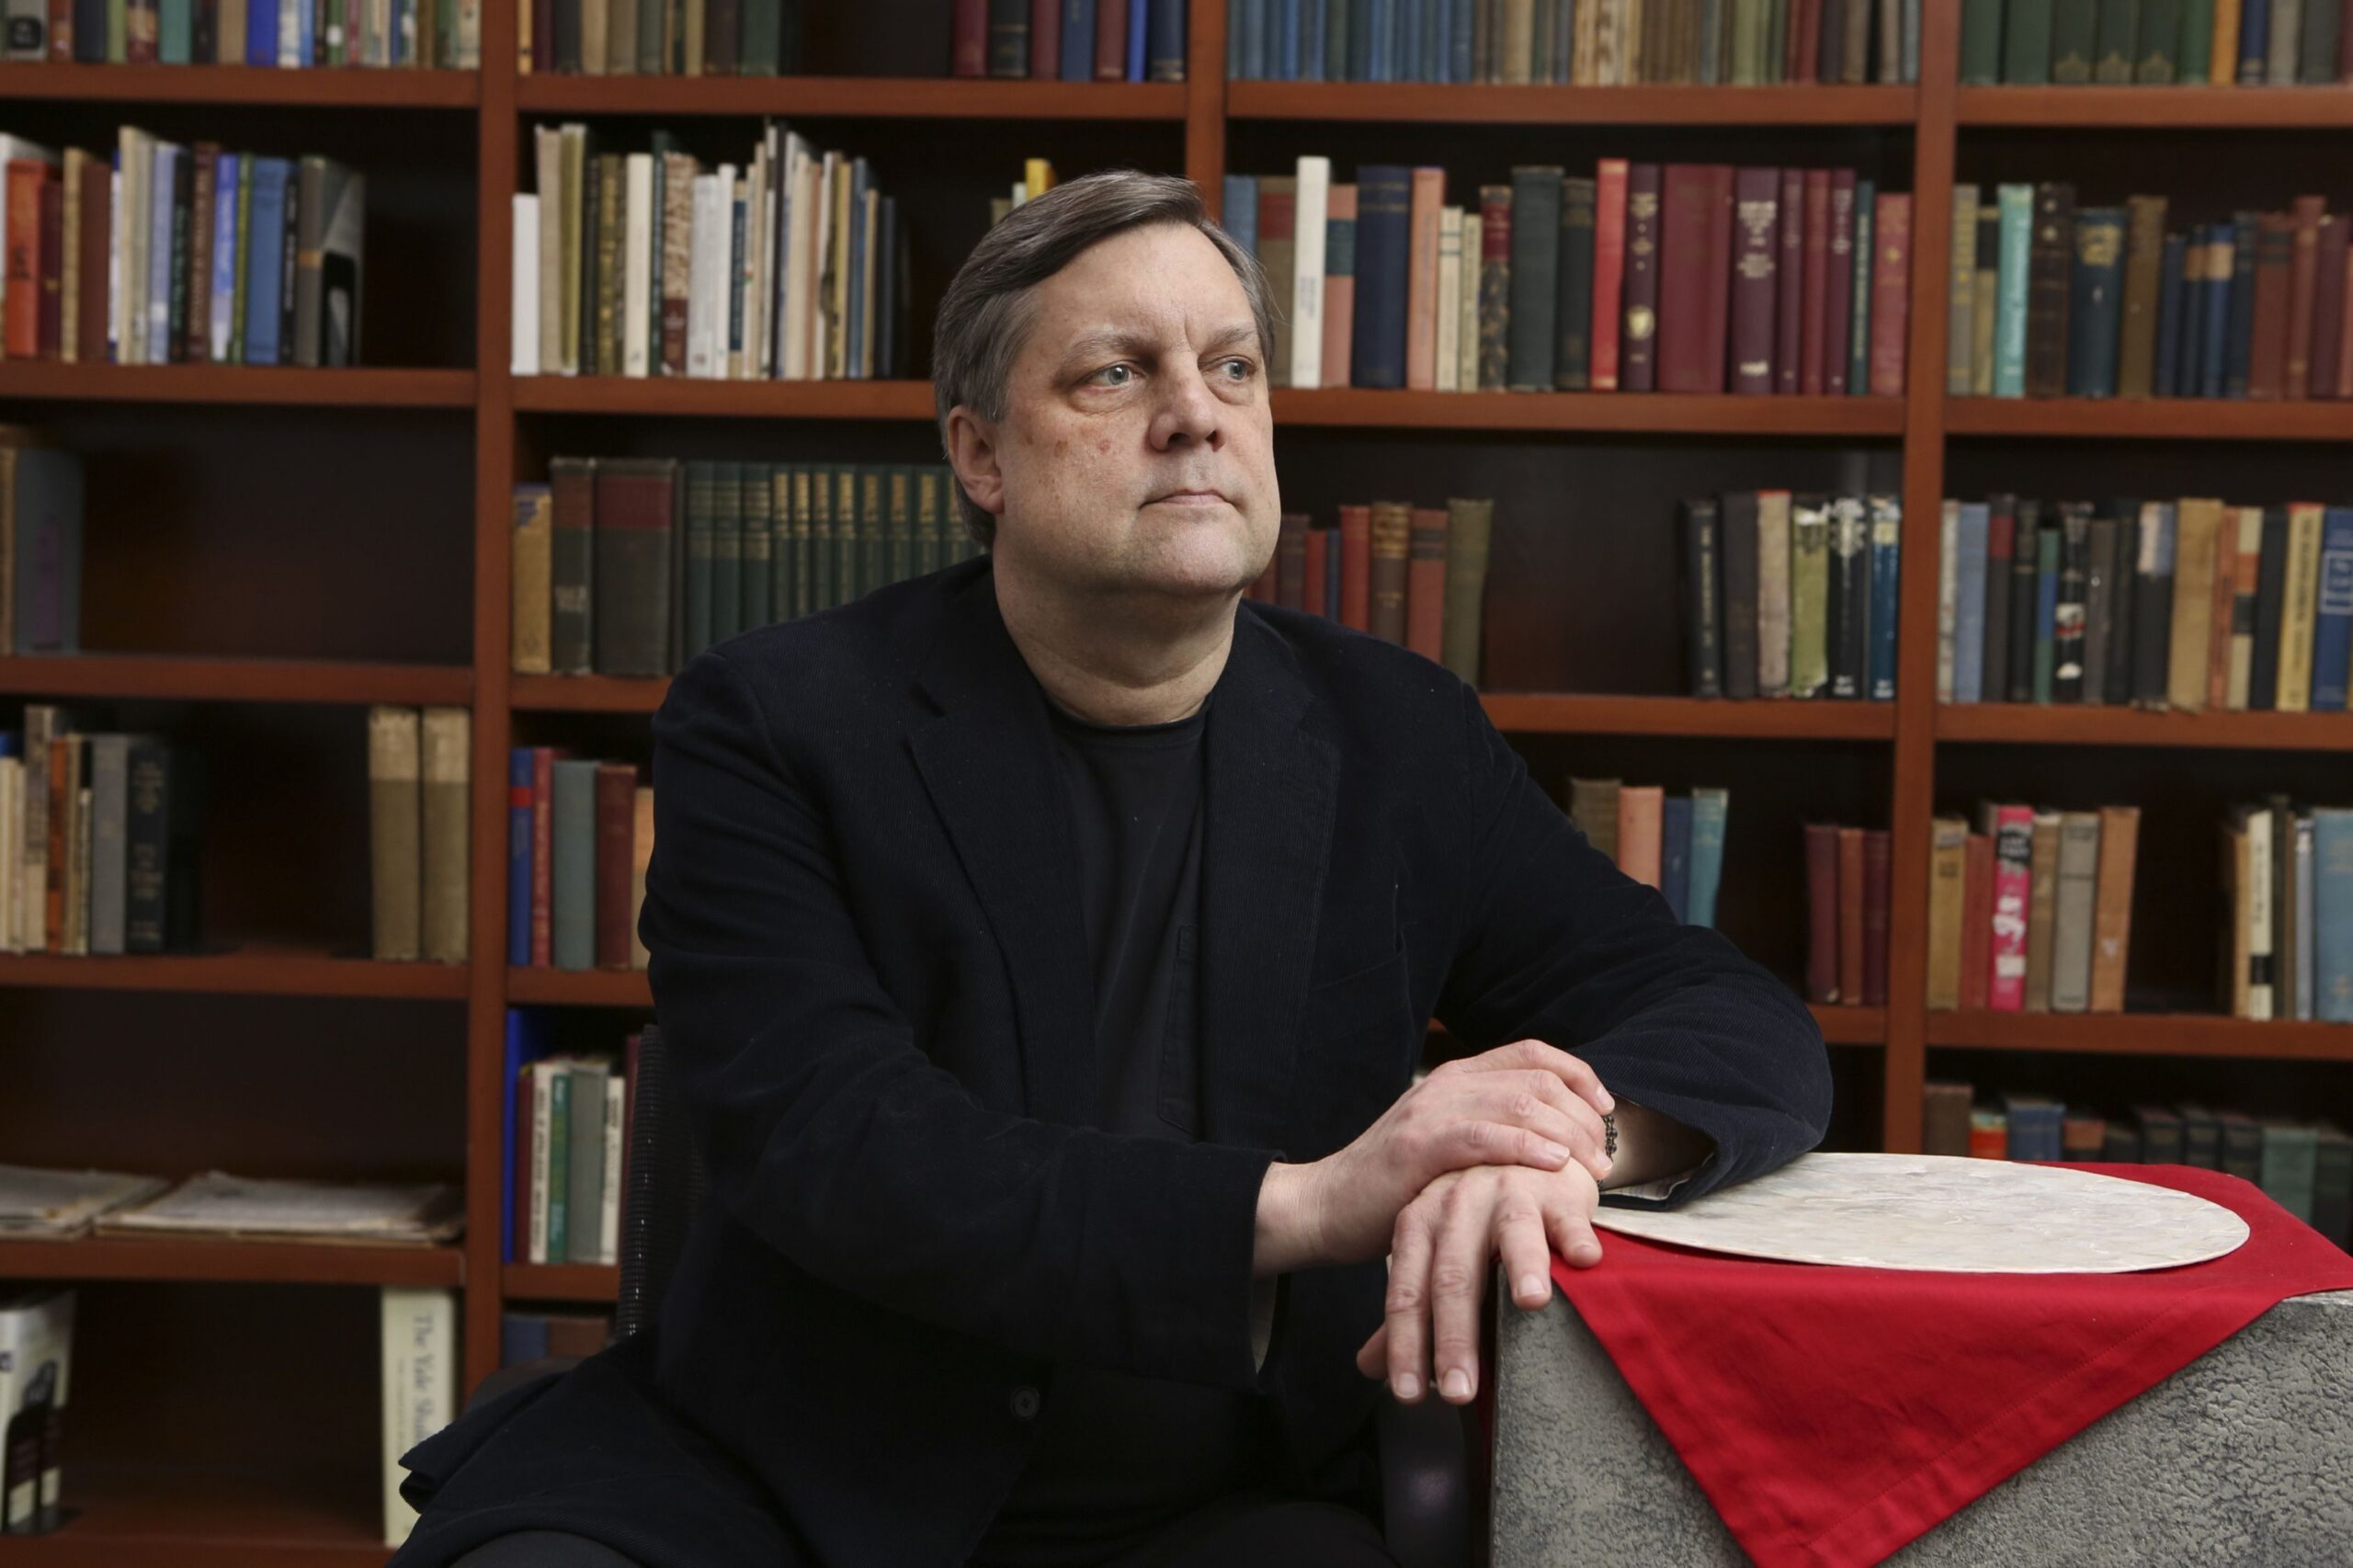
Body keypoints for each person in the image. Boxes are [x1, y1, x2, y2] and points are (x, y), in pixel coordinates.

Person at [385, 168, 1833, 1568]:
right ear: (979, 454)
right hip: (789, 1481)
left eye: (1233, 367)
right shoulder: (776, 721)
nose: (1196, 416)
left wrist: (1553, 1146)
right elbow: (842, 1145)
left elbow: (1727, 1015)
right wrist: (1320, 1200)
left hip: (1226, 1499)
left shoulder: (1399, 734)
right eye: (1115, 375)